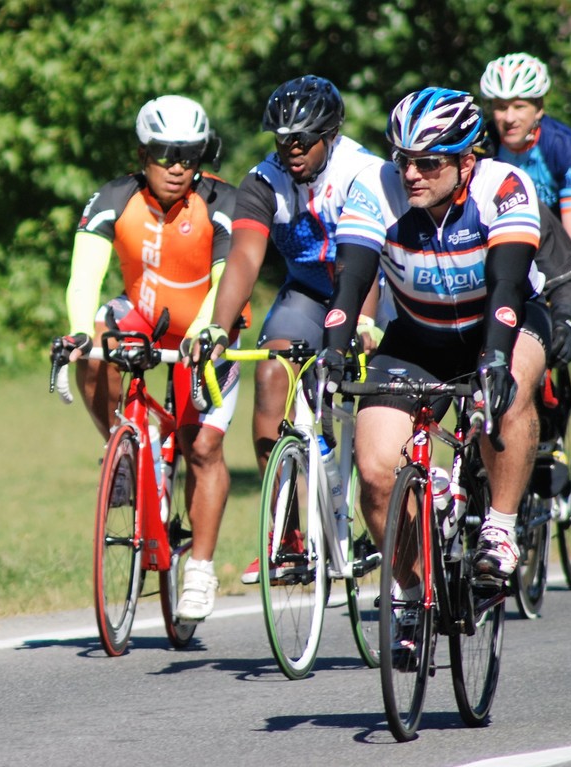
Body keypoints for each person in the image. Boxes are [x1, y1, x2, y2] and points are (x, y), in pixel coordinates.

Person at [318, 87, 551, 603]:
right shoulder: (375, 187)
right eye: (404, 160)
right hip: (418, 335)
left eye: (428, 162)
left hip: (500, 322)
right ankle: (414, 591)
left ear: (467, 160)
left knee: (507, 391)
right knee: (376, 471)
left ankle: (499, 527)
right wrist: (333, 347)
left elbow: (509, 286)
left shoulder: (506, 185)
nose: (411, 174)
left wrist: (493, 357)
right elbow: (351, 280)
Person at [60, 95, 245, 621]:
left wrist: (208, 331)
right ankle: (126, 448)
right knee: (94, 344)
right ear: (143, 153)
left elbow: (224, 281)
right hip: (144, 316)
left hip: (208, 326)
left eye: (190, 154)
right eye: (165, 153)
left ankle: (201, 569)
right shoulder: (113, 197)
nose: (178, 166)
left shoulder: (221, 200)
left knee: (202, 446)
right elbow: (84, 277)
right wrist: (77, 333)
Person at [193, 75, 383, 585]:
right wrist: (216, 326)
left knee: (372, 402)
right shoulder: (263, 180)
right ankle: (287, 538)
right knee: (274, 374)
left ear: (331, 134)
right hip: (307, 292)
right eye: (282, 140)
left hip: (369, 291)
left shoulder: (362, 173)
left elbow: (365, 263)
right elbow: (244, 259)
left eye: (303, 140)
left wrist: (364, 323)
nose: (291, 150)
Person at [480, 52, 571, 468]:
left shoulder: (562, 145)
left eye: (519, 105)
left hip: (570, 249)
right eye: (500, 106)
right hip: (516, 249)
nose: (508, 116)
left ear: (539, 107)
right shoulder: (483, 142)